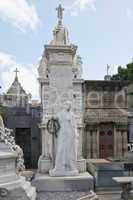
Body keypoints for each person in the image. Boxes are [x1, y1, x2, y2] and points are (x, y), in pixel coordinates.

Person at [49, 101, 79, 176]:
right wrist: (52, 117)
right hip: (62, 133)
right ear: (64, 105)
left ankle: (69, 167)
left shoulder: (71, 114)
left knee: (69, 151)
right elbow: (54, 118)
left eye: (70, 105)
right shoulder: (60, 114)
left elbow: (74, 125)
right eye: (68, 105)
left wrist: (75, 133)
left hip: (70, 134)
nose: (69, 106)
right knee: (61, 149)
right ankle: (58, 167)